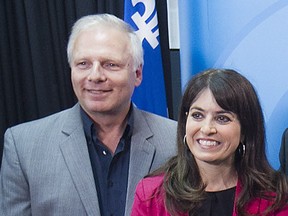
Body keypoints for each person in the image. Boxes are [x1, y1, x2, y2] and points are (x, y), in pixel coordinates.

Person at [0, 14, 177, 216]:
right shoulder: (24, 146)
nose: (95, 76)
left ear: (137, 74)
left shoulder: (175, 142)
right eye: (83, 64)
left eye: (110, 64)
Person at [131, 69, 288, 216]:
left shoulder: (274, 196)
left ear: (245, 131)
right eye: (197, 115)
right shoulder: (151, 194)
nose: (206, 129)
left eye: (222, 118)